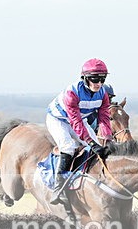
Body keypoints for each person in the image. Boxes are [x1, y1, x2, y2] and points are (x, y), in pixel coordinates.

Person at [46, 58, 113, 206]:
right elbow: (75, 122)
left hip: (78, 120)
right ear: (85, 78)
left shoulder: (102, 94)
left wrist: (107, 138)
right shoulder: (72, 92)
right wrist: (89, 142)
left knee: (98, 147)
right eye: (95, 79)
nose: (99, 83)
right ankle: (58, 188)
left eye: (102, 79)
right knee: (68, 147)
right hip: (59, 120)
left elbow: (104, 118)